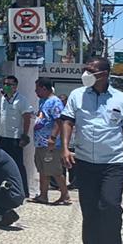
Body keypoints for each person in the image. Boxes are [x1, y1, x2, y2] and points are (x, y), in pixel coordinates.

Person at [60, 56, 123, 244]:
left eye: (90, 70)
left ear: (104, 74)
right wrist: (65, 148)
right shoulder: (77, 96)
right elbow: (67, 121)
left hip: (113, 164)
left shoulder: (121, 99)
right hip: (85, 163)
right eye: (85, 69)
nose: (85, 73)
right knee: (90, 210)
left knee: (111, 207)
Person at [30, 78, 71, 206]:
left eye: (37, 88)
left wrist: (53, 138)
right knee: (43, 170)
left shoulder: (55, 102)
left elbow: (59, 121)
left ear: (44, 88)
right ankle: (43, 195)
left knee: (54, 170)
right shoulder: (43, 101)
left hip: (50, 143)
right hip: (40, 142)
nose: (36, 91)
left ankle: (65, 195)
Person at [0, 74, 33, 189]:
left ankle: (23, 189)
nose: (6, 86)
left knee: (17, 164)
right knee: (1, 163)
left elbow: (27, 118)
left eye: (9, 84)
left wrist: (25, 135)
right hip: (3, 136)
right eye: (5, 84)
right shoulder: (2, 99)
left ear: (15, 87)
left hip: (15, 138)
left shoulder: (21, 100)